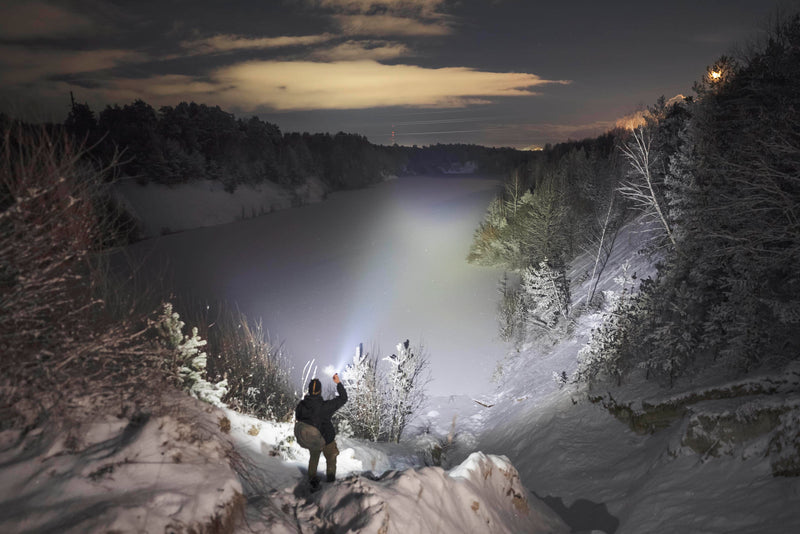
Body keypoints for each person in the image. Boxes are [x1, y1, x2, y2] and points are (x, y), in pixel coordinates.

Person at [294, 373, 347, 489]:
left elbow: (298, 417)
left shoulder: (301, 405)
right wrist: (338, 383)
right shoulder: (325, 406)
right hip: (326, 438)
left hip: (311, 439)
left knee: (314, 457)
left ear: (309, 390)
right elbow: (343, 398)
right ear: (320, 391)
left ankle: (312, 479)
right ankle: (330, 481)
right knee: (331, 457)